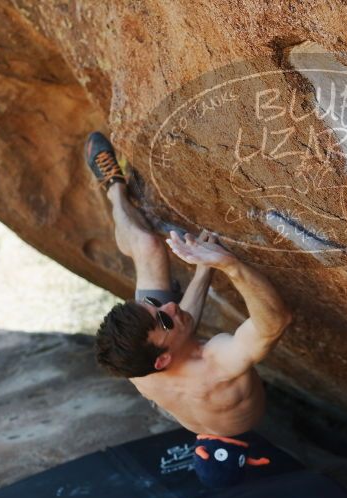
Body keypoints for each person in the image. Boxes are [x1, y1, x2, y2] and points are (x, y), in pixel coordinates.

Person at [86, 131, 292, 447]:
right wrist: (228, 264)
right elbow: (274, 324)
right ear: (161, 362)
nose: (170, 306)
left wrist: (203, 269)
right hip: (234, 427)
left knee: (147, 246)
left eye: (154, 306)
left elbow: (176, 329)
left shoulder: (134, 363)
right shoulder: (218, 366)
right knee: (179, 331)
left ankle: (114, 188)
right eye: (163, 319)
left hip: (178, 373)